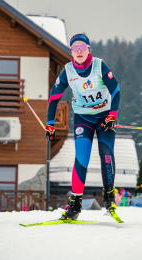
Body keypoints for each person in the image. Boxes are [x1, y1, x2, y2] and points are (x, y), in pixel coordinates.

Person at [45, 34, 121, 220]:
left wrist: (112, 115)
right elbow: (54, 98)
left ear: (89, 49)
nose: (79, 51)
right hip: (83, 118)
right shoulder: (68, 71)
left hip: (104, 118)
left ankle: (109, 197)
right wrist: (50, 124)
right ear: (71, 51)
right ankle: (75, 205)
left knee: (105, 152)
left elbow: (116, 91)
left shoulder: (99, 65)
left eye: (83, 47)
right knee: (81, 157)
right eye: (75, 47)